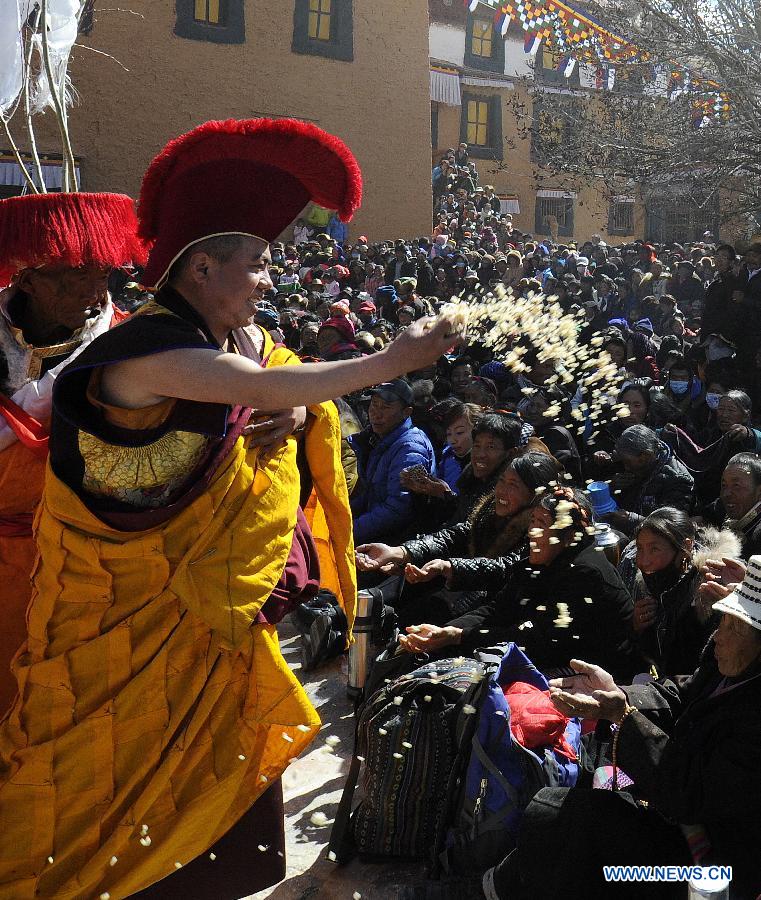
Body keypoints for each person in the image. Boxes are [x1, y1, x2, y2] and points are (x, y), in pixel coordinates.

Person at [0, 119, 462, 900]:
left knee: (194, 758)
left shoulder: (234, 335)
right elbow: (260, 388)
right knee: (82, 769)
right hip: (117, 608)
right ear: (202, 267)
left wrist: (285, 415)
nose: (271, 280)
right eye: (258, 263)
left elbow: (275, 380)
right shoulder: (146, 349)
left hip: (196, 616)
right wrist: (391, 360)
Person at [485, 557, 761, 900]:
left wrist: (624, 716)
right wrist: (616, 694)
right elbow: (679, 693)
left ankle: (499, 888)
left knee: (568, 814)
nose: (717, 636)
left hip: (712, 867)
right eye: (724, 621)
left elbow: (690, 794)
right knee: (589, 756)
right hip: (678, 806)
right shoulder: (728, 663)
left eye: (736, 627)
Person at [0, 191, 145, 714]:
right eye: (76, 272)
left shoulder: (131, 340)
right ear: (28, 277)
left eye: (104, 272)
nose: (96, 287)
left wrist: (296, 410)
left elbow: (247, 366)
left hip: (84, 567)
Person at [398, 488, 637, 681]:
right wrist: (444, 631)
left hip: (595, 672)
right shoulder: (538, 561)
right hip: (547, 652)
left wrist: (458, 636)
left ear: (568, 536)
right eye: (532, 520)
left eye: (542, 523)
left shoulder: (585, 573)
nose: (532, 531)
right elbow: (498, 609)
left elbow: (537, 640)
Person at [356, 453, 561, 625]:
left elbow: (505, 568)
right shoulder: (489, 511)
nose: (502, 490)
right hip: (463, 593)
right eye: (502, 481)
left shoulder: (541, 528)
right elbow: (454, 536)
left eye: (513, 485)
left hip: (497, 613)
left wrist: (449, 568)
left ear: (536, 494)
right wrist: (400, 552)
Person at [625, 507, 739, 676]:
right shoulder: (649, 585)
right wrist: (636, 629)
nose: (643, 561)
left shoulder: (709, 594)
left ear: (685, 547)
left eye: (654, 549)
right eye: (640, 548)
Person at [348, 377, 436, 544]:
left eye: (386, 407)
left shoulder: (411, 447)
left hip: (396, 542)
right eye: (374, 404)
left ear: (406, 412)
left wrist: (348, 533)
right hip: (375, 531)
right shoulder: (379, 439)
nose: (376, 413)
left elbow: (398, 509)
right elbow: (368, 494)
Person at [607, 425, 694, 535]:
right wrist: (613, 485)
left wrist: (632, 520)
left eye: (628, 462)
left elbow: (673, 525)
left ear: (645, 456)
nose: (626, 467)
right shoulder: (637, 466)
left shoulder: (677, 479)